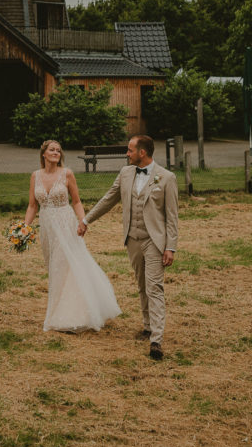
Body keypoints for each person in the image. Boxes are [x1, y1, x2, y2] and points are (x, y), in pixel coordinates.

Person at [78, 135, 178, 359]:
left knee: (155, 287)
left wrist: (170, 247)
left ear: (142, 152)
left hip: (154, 241)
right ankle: (147, 326)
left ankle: (156, 341)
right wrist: (86, 220)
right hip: (132, 239)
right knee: (142, 284)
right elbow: (109, 199)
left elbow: (172, 217)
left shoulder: (167, 178)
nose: (127, 153)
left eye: (130, 150)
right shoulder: (125, 173)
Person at [24, 139, 121, 333]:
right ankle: (60, 307)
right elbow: (32, 206)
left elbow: (76, 201)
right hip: (47, 226)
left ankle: (71, 315)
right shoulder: (35, 176)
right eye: (52, 150)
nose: (56, 153)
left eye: (58, 150)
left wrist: (83, 221)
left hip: (65, 223)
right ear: (43, 154)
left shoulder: (67, 174)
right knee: (54, 266)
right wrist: (24, 228)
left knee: (68, 265)